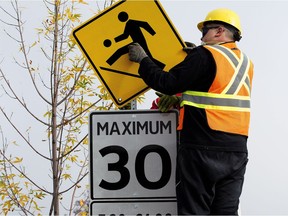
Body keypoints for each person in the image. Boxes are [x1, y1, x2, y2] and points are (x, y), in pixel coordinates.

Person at [128, 8, 254, 215]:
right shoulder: (246, 63)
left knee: (194, 210)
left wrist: (143, 60)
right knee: (226, 211)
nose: (202, 37)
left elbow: (167, 83)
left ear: (219, 31)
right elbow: (215, 92)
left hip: (201, 147)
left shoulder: (204, 55)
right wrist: (180, 96)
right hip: (236, 151)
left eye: (205, 30)